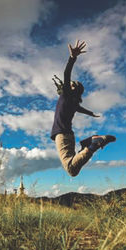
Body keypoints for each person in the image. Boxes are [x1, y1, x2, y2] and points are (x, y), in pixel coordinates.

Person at [50, 40, 116, 177]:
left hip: (62, 134)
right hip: (67, 134)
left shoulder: (67, 94)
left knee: (71, 169)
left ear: (73, 89)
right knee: (74, 167)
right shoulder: (73, 102)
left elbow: (66, 74)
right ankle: (89, 142)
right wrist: (91, 113)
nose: (68, 83)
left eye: (71, 84)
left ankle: (94, 143)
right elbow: (80, 109)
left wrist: (72, 58)